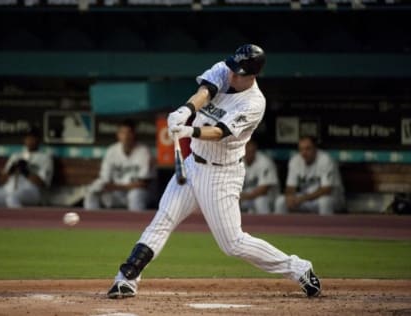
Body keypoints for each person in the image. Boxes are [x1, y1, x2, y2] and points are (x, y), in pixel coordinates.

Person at [106, 44, 321, 299]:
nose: (231, 74)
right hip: (193, 164)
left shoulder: (254, 103)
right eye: (232, 68)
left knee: (233, 244)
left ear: (252, 75)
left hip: (222, 175)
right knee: (163, 219)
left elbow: (219, 132)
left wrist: (190, 131)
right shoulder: (225, 68)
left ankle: (298, 268)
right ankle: (127, 278)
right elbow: (204, 92)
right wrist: (185, 111)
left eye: (238, 72)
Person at [0, 127, 53, 208]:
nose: (30, 140)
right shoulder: (16, 156)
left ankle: (20, 221)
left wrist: (26, 171)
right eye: (28, 138)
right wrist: (11, 171)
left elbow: (42, 183)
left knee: (12, 198)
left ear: (39, 140)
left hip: (31, 191)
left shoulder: (45, 158)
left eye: (33, 138)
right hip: (8, 189)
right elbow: (2, 180)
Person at [84, 120, 154, 211]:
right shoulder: (112, 151)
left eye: (129, 132)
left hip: (138, 193)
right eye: (122, 133)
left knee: (135, 195)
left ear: (134, 134)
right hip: (116, 193)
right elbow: (104, 178)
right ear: (118, 135)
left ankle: (135, 224)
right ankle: (92, 222)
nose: (126, 136)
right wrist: (101, 186)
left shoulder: (143, 151)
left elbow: (144, 184)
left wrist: (117, 187)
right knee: (92, 191)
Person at [274, 136, 345, 215]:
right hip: (305, 199)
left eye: (308, 149)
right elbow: (290, 187)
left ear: (315, 149)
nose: (304, 153)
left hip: (330, 199)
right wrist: (290, 197)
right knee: (280, 201)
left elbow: (326, 190)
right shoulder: (295, 160)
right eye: (301, 149)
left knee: (324, 201)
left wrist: (302, 199)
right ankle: (280, 227)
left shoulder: (325, 160)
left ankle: (326, 227)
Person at [240, 140, 280, 214]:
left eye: (250, 151)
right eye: (246, 151)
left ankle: (266, 224)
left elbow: (263, 190)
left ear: (255, 150)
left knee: (259, 201)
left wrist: (243, 197)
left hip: (267, 198)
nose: (248, 153)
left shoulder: (265, 162)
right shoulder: (239, 162)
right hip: (247, 198)